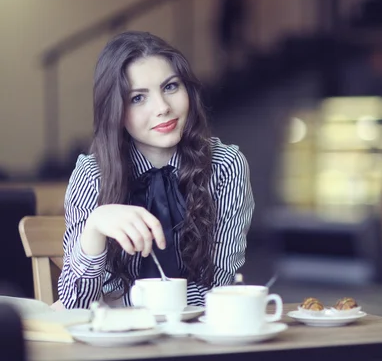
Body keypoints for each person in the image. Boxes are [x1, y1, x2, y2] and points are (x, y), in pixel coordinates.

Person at [57, 31, 254, 309]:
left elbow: (219, 289)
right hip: (116, 344)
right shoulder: (93, 175)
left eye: (171, 87)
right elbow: (75, 304)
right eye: (138, 98)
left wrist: (116, 302)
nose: (162, 107)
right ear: (114, 110)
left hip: (197, 340)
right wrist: (95, 226)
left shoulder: (225, 166)